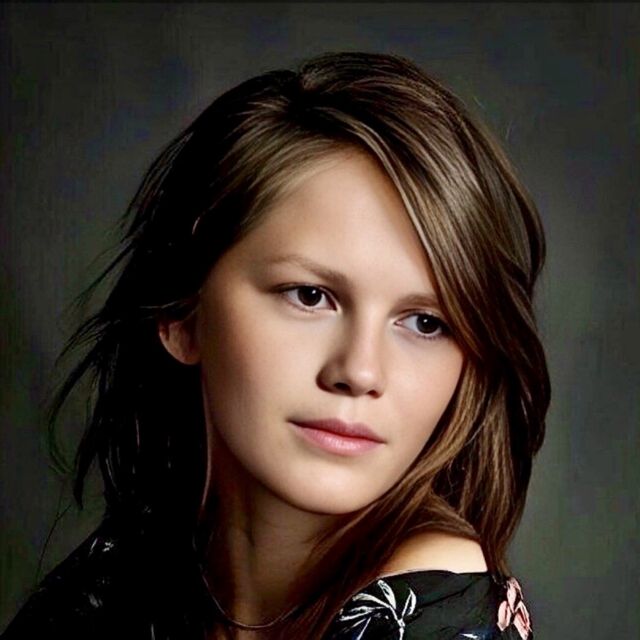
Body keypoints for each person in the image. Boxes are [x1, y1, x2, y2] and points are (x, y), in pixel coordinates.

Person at [3, 51, 549, 639]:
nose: (360, 371)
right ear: (180, 313)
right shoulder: (111, 589)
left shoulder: (439, 617)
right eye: (310, 296)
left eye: (424, 323)